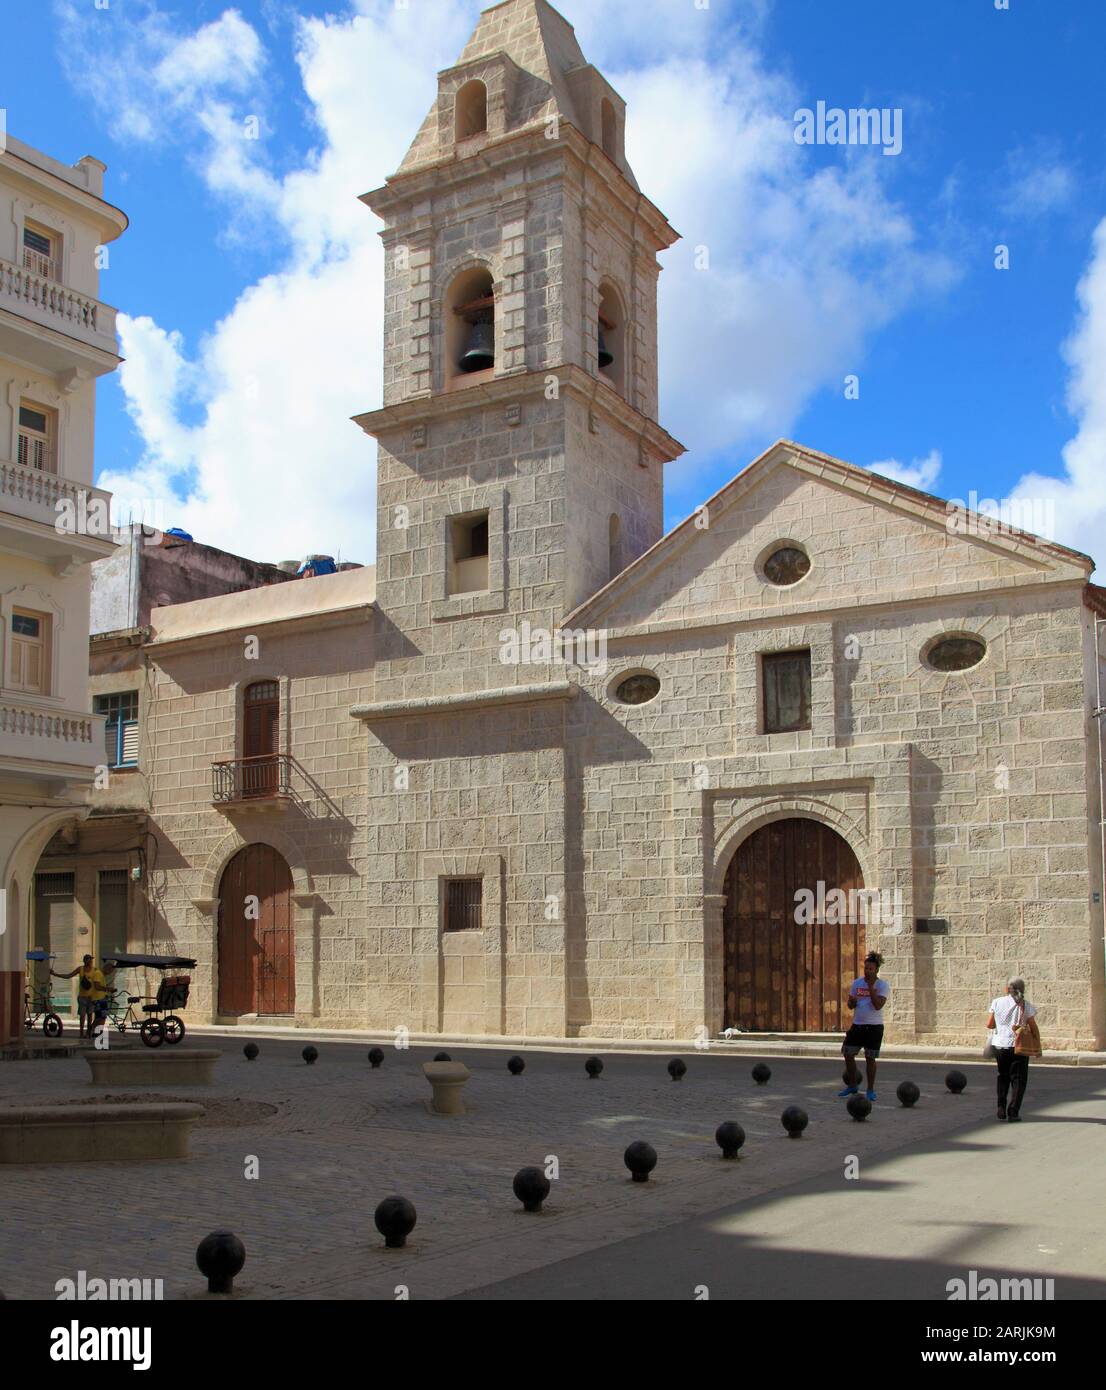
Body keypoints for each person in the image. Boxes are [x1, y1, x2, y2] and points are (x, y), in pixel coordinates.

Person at [839, 952, 890, 1102]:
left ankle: (870, 1089)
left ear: (876, 970)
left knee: (870, 1058)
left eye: (870, 969)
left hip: (874, 1027)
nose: (867, 971)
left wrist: (870, 987)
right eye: (866, 968)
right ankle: (853, 1085)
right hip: (858, 1025)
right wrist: (852, 1002)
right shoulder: (857, 983)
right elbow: (850, 1005)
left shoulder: (882, 986)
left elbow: (877, 1005)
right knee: (848, 1053)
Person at [987, 977, 1038, 1122]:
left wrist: (1001, 1023)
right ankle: (1013, 1111)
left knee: (1002, 1076)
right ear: (1023, 990)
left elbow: (990, 1024)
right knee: (1018, 1079)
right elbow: (1033, 1026)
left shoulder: (997, 1002)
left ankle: (1001, 1108)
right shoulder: (1026, 1005)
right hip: (1018, 1046)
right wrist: (1036, 1043)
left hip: (1000, 1045)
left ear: (1006, 989)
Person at [51, 954, 109, 1040]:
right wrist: (55, 974)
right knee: (82, 1016)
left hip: (91, 997)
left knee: (90, 1016)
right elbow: (68, 976)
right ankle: (81, 1033)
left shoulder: (95, 970)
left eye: (91, 960)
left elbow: (100, 980)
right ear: (86, 961)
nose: (91, 962)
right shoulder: (80, 969)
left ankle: (88, 1033)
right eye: (90, 960)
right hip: (82, 997)